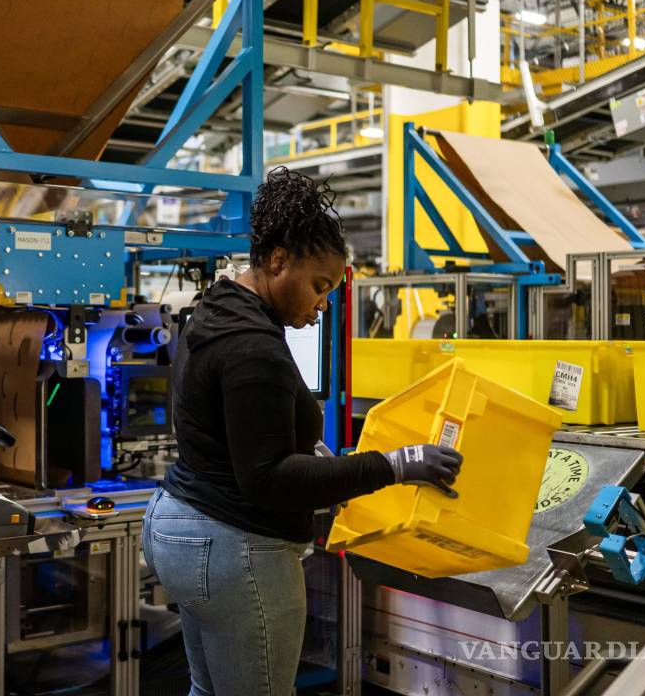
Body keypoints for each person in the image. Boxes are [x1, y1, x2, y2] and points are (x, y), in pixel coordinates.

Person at [142, 167, 463, 695]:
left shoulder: (214, 311)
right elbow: (268, 480)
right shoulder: (255, 347)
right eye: (319, 286)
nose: (323, 304)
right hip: (232, 547)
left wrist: (308, 450)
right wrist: (396, 465)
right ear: (276, 260)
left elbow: (232, 430)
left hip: (177, 526)